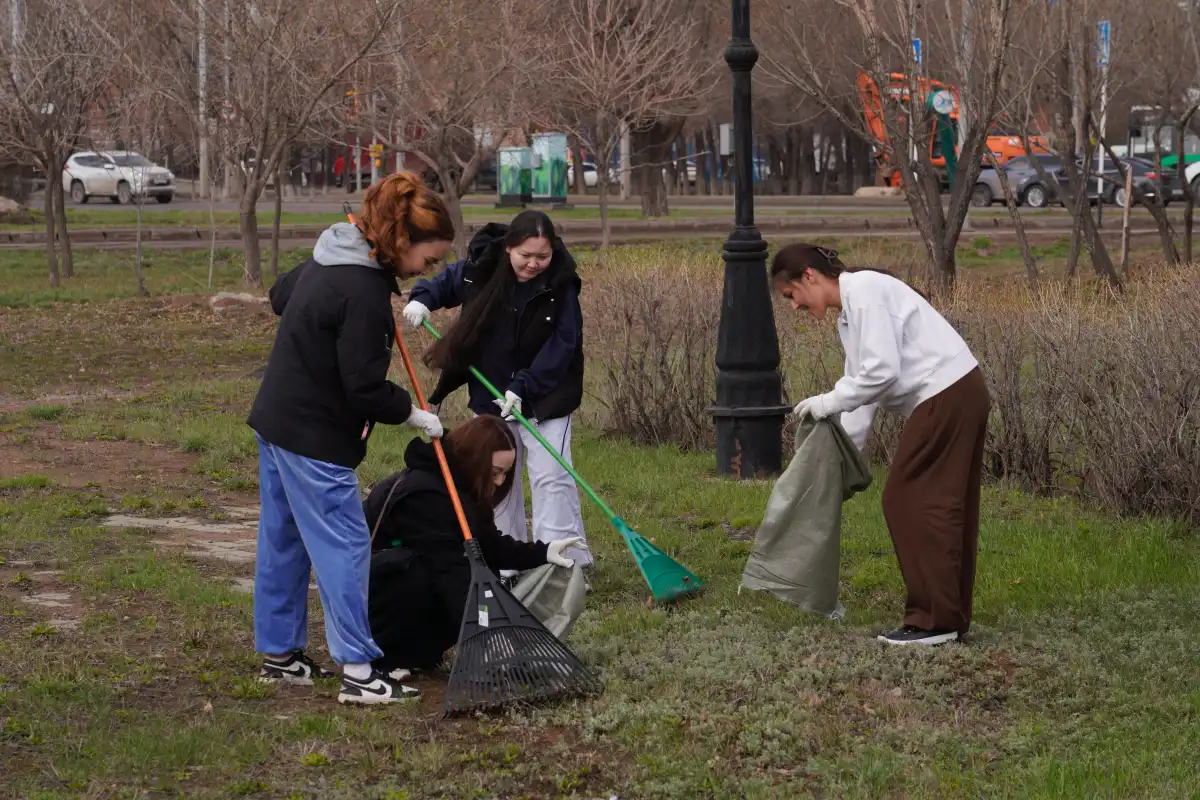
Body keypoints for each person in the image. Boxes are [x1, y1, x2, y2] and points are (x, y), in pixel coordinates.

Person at [247, 171, 454, 705]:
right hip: (313, 436)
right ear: (402, 241)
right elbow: (363, 388)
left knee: (285, 540)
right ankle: (360, 672)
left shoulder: (334, 253)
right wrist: (412, 413)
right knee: (345, 545)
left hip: (277, 422)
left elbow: (280, 294)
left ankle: (281, 656)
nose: (425, 272)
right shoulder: (361, 289)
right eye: (427, 261)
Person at [770, 243, 990, 647]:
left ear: (809, 276)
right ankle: (948, 618)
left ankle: (933, 623)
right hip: (955, 392)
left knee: (910, 500)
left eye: (791, 296)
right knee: (941, 503)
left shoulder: (866, 292)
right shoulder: (851, 316)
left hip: (947, 393)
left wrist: (824, 403)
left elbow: (880, 374)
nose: (794, 308)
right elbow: (863, 396)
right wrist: (838, 464)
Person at [401, 210, 592, 567]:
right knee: (496, 481)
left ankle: (564, 563)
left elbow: (564, 344)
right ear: (508, 249)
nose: (534, 264)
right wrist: (422, 299)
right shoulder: (481, 269)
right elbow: (444, 283)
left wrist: (524, 385)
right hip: (491, 394)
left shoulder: (562, 282)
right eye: (526, 255)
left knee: (552, 478)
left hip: (547, 395)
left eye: (542, 256)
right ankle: (508, 561)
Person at [364, 415, 584, 675]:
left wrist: (544, 552)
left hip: (416, 584)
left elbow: (489, 545)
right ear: (476, 460)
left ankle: (418, 652)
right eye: (496, 472)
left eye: (506, 473)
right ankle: (388, 654)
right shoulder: (423, 494)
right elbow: (450, 571)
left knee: (481, 567)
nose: (501, 482)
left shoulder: (464, 488)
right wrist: (487, 634)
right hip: (373, 600)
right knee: (434, 573)